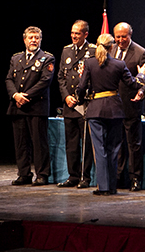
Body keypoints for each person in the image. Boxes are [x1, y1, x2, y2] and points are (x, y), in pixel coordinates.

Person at [78, 33, 145, 196]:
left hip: (96, 110)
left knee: (100, 148)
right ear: (111, 47)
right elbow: (133, 84)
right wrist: (142, 74)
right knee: (113, 149)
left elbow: (81, 87)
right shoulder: (119, 64)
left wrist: (81, 100)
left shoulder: (90, 63)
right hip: (115, 110)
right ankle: (112, 187)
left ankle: (104, 186)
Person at [5, 26, 55, 186]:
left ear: (40, 39)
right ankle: (24, 173)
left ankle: (42, 174)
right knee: (21, 143)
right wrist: (15, 95)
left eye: (37, 37)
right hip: (18, 106)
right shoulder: (16, 58)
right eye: (31, 37)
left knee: (39, 143)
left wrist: (25, 96)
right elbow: (9, 79)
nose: (34, 40)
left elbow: (45, 81)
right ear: (24, 39)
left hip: (36, 106)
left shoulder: (47, 58)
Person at [111, 22, 145, 192]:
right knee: (116, 144)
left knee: (134, 144)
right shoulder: (110, 50)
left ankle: (135, 178)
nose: (120, 40)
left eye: (124, 36)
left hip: (131, 104)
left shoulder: (141, 52)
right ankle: (119, 177)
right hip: (113, 106)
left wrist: (141, 92)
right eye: (118, 37)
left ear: (130, 34)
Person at [57, 20, 95, 189]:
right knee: (71, 144)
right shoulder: (66, 50)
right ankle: (72, 176)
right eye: (72, 32)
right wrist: (66, 97)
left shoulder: (92, 51)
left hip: (84, 105)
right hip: (69, 105)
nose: (74, 36)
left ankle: (85, 177)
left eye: (77, 33)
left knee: (85, 144)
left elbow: (94, 78)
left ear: (85, 34)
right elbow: (61, 77)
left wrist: (79, 97)